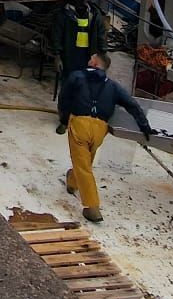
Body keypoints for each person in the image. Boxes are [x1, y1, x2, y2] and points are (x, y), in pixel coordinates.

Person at [56, 52, 156, 222]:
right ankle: (72, 182)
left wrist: (64, 120)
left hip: (80, 124)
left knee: (83, 166)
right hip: (100, 130)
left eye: (91, 57)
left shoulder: (77, 76)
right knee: (84, 161)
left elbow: (64, 99)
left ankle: (92, 207)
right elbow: (133, 105)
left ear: (94, 63)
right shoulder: (113, 86)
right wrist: (145, 127)